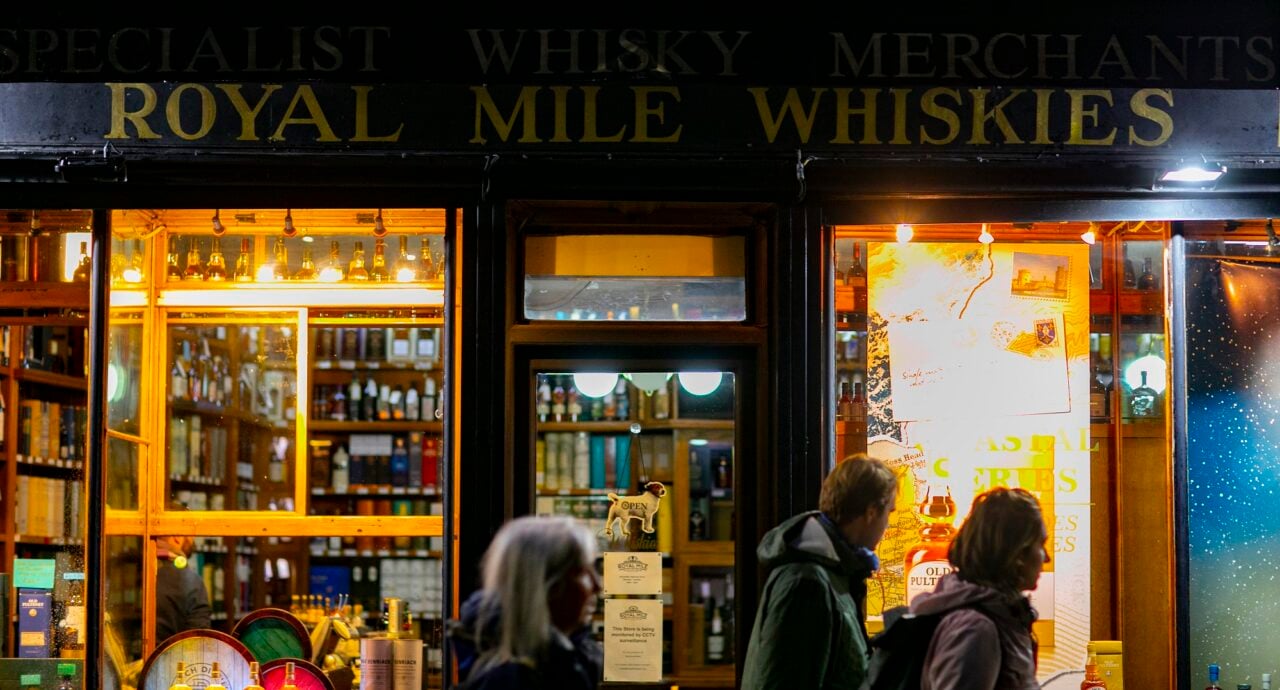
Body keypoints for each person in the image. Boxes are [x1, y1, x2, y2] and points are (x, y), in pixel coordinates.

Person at [741, 454, 897, 690]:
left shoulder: (836, 572)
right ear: (871, 512)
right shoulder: (806, 582)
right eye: (889, 513)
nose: (887, 525)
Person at [912, 487, 1048, 690]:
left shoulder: (1000, 616)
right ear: (1018, 554)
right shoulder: (975, 629)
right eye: (1041, 544)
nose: (1046, 557)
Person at [453, 515, 603, 690]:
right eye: (583, 572)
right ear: (545, 584)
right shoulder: (512, 681)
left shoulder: (566, 660)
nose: (597, 586)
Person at [153, 531, 212, 644]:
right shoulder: (192, 582)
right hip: (169, 660)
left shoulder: (131, 569)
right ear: (177, 536)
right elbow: (199, 645)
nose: (194, 537)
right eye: (191, 533)